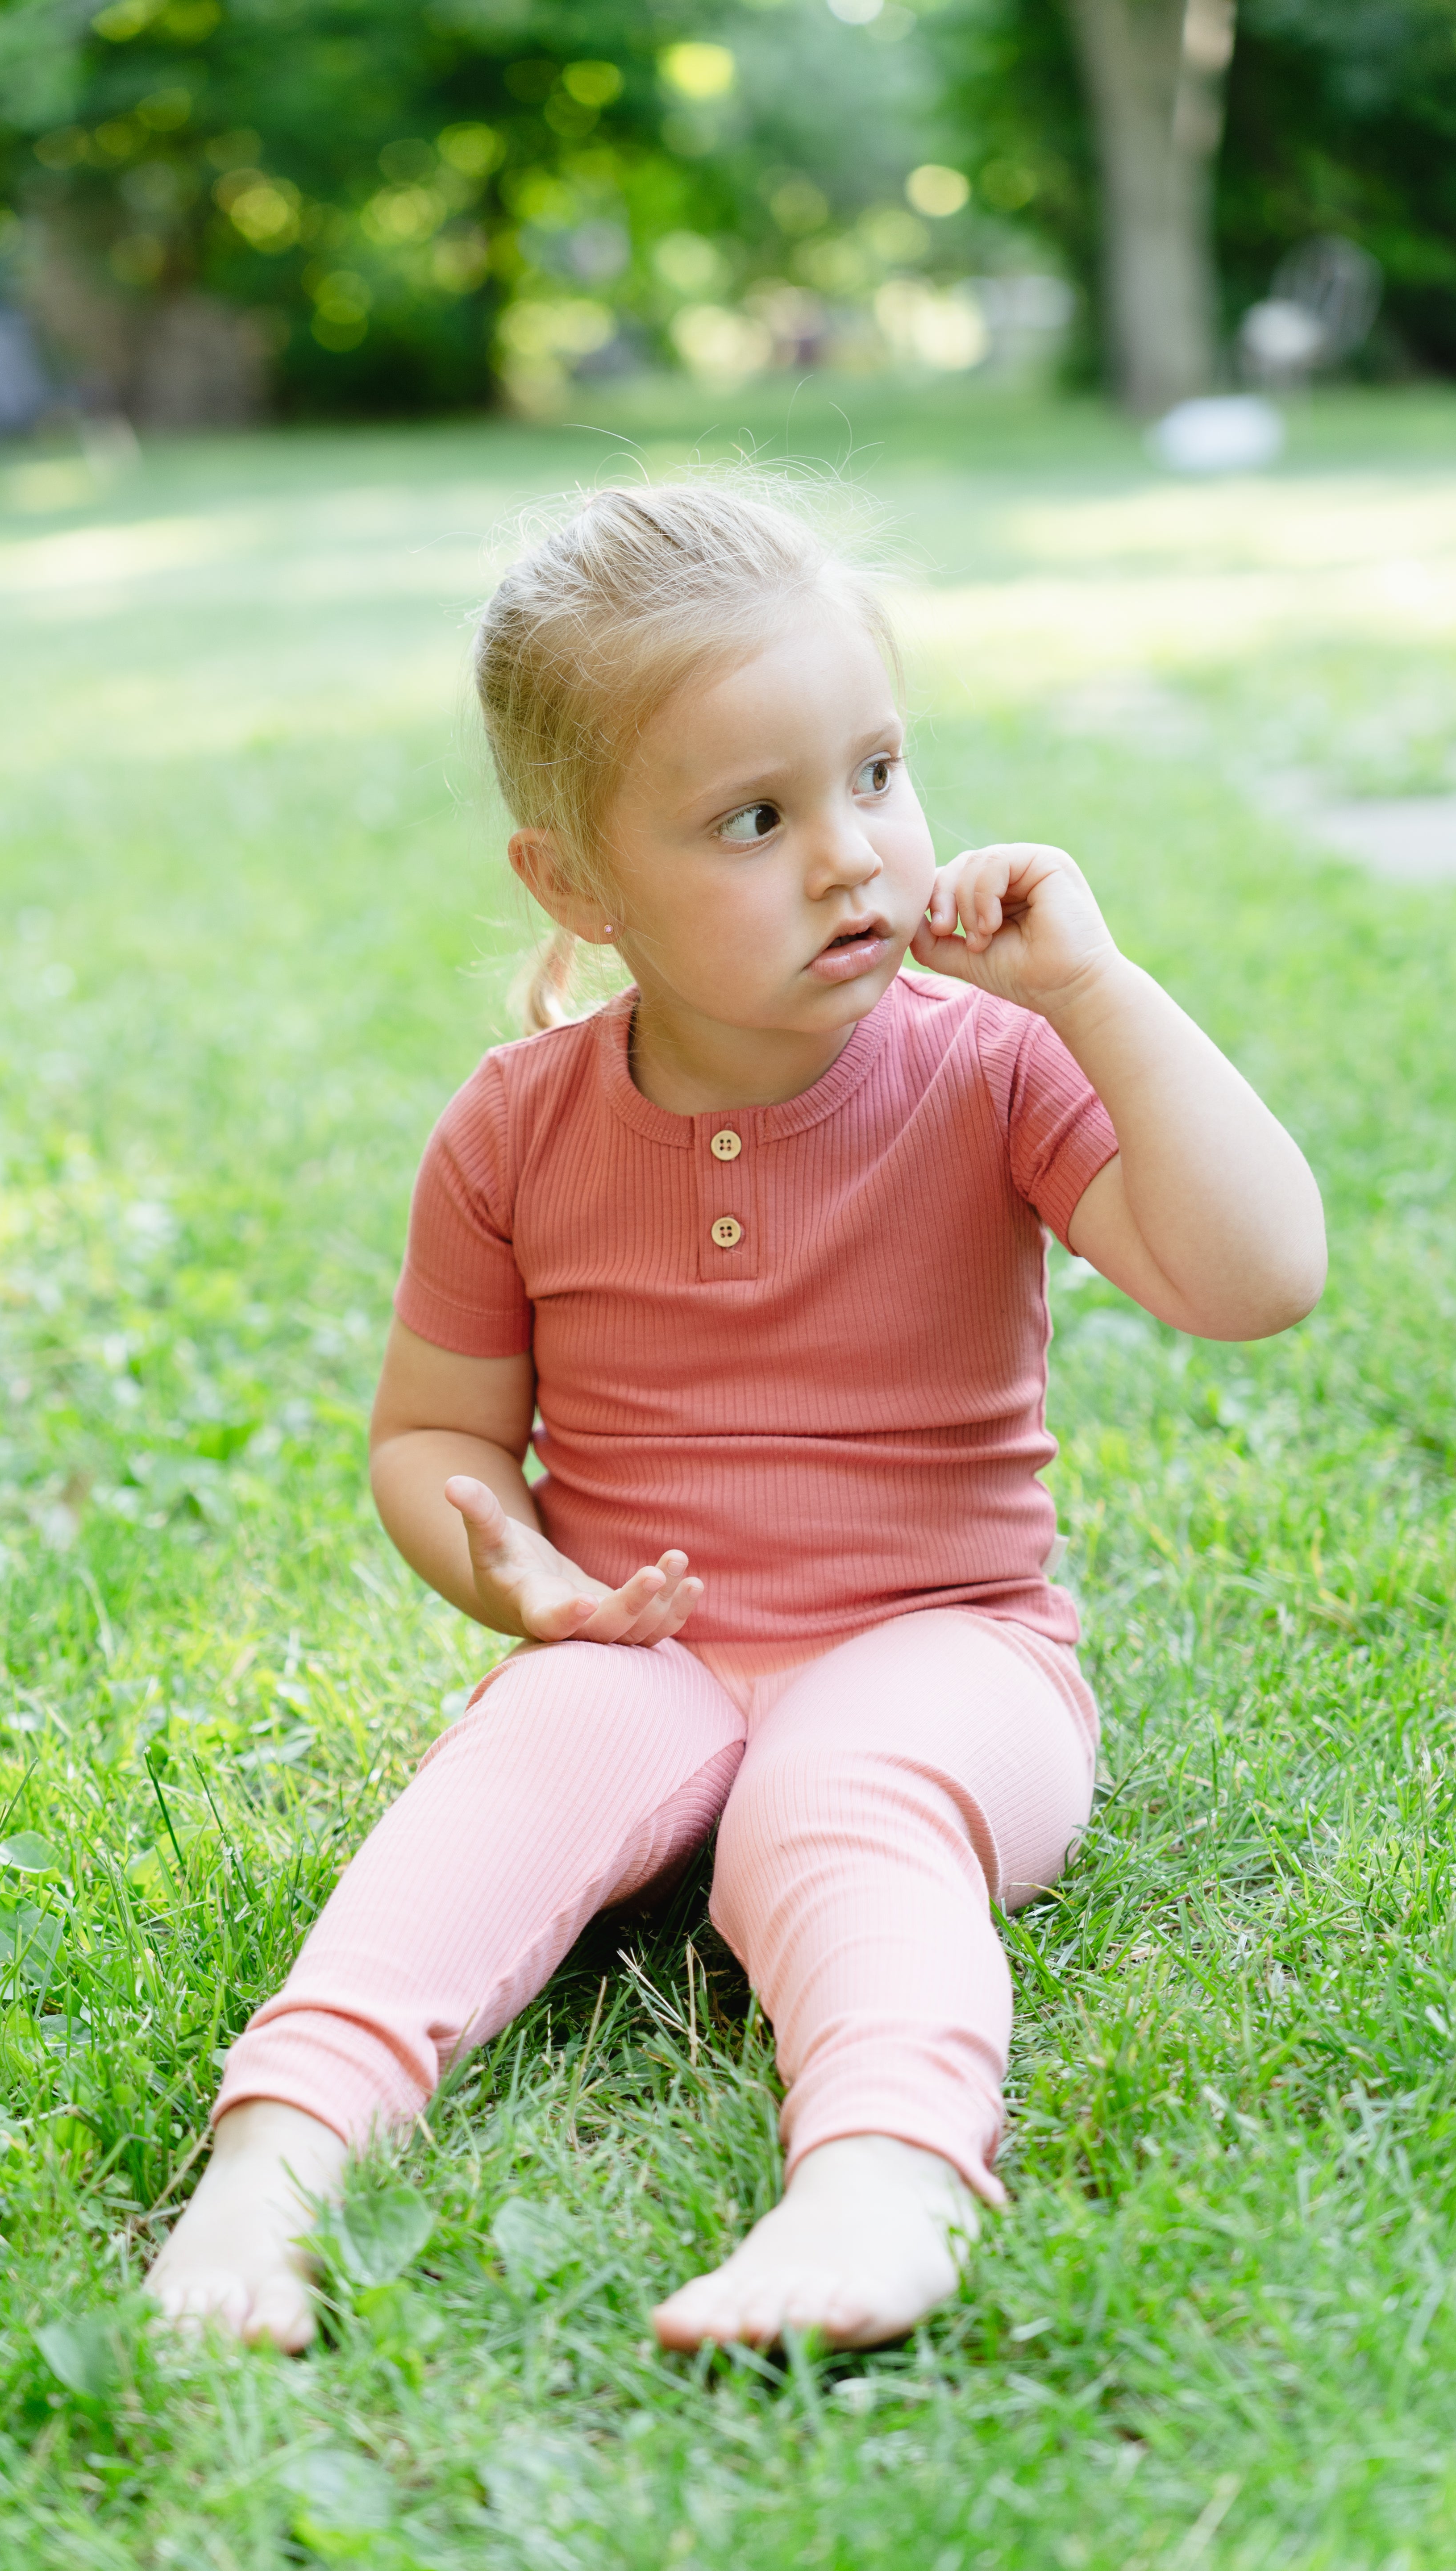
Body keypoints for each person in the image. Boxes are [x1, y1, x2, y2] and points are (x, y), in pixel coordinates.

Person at [147, 482, 1326, 2353]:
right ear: (579, 888)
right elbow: (435, 1438)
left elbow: (1258, 1278)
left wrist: (1094, 992)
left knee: (840, 1799)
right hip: (656, 1648)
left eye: (877, 772)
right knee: (506, 1784)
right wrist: (523, 1580)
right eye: (758, 819)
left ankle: (883, 2181)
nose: (853, 855)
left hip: (949, 1656)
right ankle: (271, 2164)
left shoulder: (993, 1069)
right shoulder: (518, 1128)